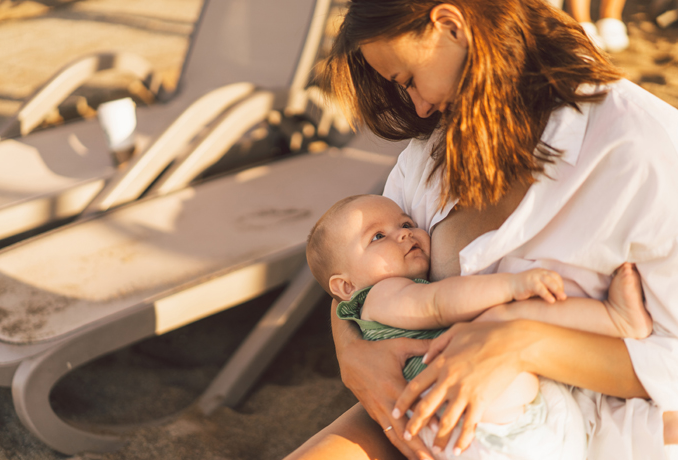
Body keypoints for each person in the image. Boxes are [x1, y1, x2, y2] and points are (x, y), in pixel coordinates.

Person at [286, 1, 678, 459]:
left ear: (451, 25)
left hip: (597, 433)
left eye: (408, 79)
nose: (417, 104)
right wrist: (352, 352)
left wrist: (521, 344)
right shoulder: (437, 140)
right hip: (433, 408)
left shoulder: (644, 155)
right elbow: (359, 268)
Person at [304, 193, 652, 458]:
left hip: (498, 426)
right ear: (345, 288)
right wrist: (511, 286)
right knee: (510, 316)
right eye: (378, 237)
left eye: (407, 224)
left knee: (506, 322)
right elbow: (438, 303)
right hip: (480, 422)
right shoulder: (381, 295)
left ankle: (616, 319)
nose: (403, 235)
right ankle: (614, 319)